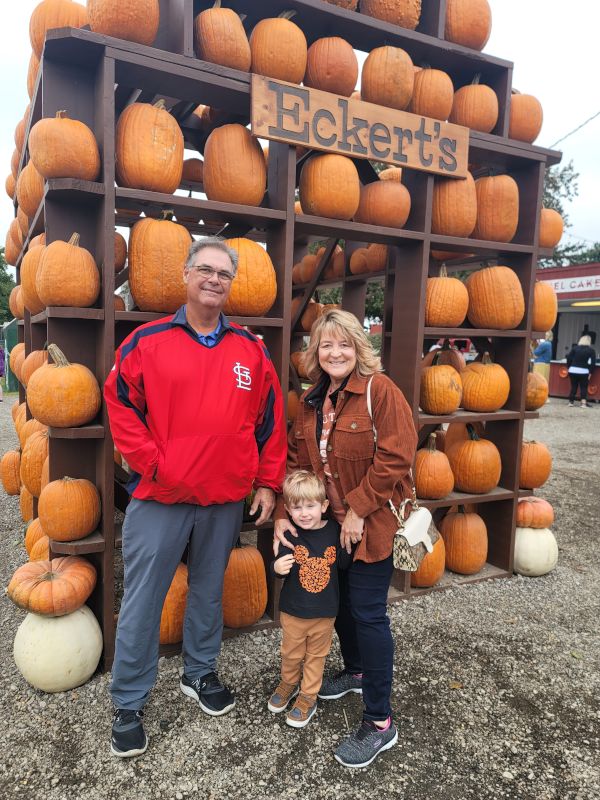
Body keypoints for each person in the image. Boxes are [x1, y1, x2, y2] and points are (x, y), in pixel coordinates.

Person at [104, 236, 287, 757]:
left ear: (231, 284)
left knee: (208, 590)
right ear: (186, 275)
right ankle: (129, 699)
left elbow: (270, 424)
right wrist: (152, 462)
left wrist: (269, 483)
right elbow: (118, 402)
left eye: (223, 274)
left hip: (224, 495)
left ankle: (200, 674)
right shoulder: (147, 340)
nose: (213, 280)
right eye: (204, 270)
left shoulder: (250, 351)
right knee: (144, 599)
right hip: (162, 495)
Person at [274, 308, 417, 768]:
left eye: (344, 344)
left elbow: (397, 456)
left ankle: (380, 722)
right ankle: (355, 671)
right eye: (326, 345)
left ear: (359, 347)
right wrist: (283, 510)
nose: (335, 352)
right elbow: (299, 461)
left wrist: (357, 508)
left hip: (372, 523)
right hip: (330, 526)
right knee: (338, 606)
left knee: (369, 613)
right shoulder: (312, 401)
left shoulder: (381, 391)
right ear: (315, 352)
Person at [268, 470, 349, 728]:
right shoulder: (290, 535)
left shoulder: (334, 532)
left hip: (324, 613)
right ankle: (288, 682)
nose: (304, 513)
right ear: (288, 511)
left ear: (324, 506)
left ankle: (308, 697)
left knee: (316, 656)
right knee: (290, 653)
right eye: (297, 507)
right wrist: (276, 568)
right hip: (293, 610)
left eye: (310, 506)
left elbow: (344, 564)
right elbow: (280, 563)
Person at [566, 334, 597, 408]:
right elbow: (593, 363)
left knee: (573, 386)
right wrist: (590, 373)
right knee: (583, 387)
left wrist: (569, 367)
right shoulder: (591, 350)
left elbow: (568, 358)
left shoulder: (575, 348)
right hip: (584, 371)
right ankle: (583, 403)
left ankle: (571, 402)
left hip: (573, 370)